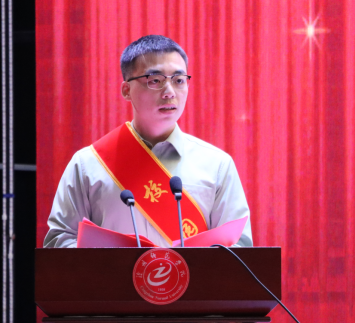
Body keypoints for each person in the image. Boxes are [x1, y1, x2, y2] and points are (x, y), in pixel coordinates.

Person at [44, 35, 252, 248]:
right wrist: (109, 264)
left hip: (192, 273)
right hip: (113, 272)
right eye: (155, 81)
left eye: (179, 81)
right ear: (126, 90)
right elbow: (59, 240)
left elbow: (239, 247)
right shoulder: (88, 164)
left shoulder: (216, 165)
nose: (169, 92)